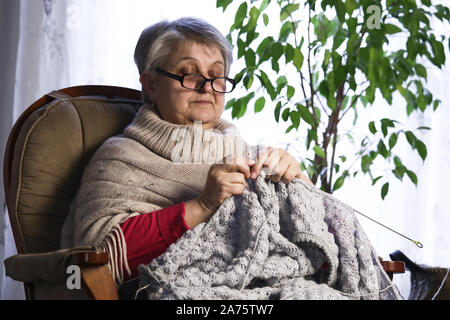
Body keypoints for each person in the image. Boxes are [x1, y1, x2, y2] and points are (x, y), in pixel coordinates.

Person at [60, 17, 312, 285]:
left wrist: (301, 183)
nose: (206, 88)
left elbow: (325, 241)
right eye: (189, 74)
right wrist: (203, 206)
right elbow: (100, 259)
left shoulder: (255, 156)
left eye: (216, 76)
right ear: (151, 84)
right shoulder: (119, 158)